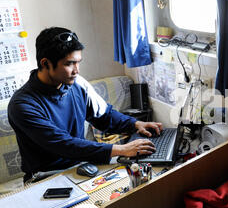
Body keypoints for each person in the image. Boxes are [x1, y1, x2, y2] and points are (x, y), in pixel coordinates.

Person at [8, 27, 162, 183]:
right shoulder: (22, 105)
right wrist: (122, 150)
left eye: (78, 62)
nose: (77, 70)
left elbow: (105, 116)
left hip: (81, 165)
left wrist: (136, 124)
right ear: (45, 63)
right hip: (46, 176)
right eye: (69, 64)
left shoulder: (77, 84)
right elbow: (64, 144)